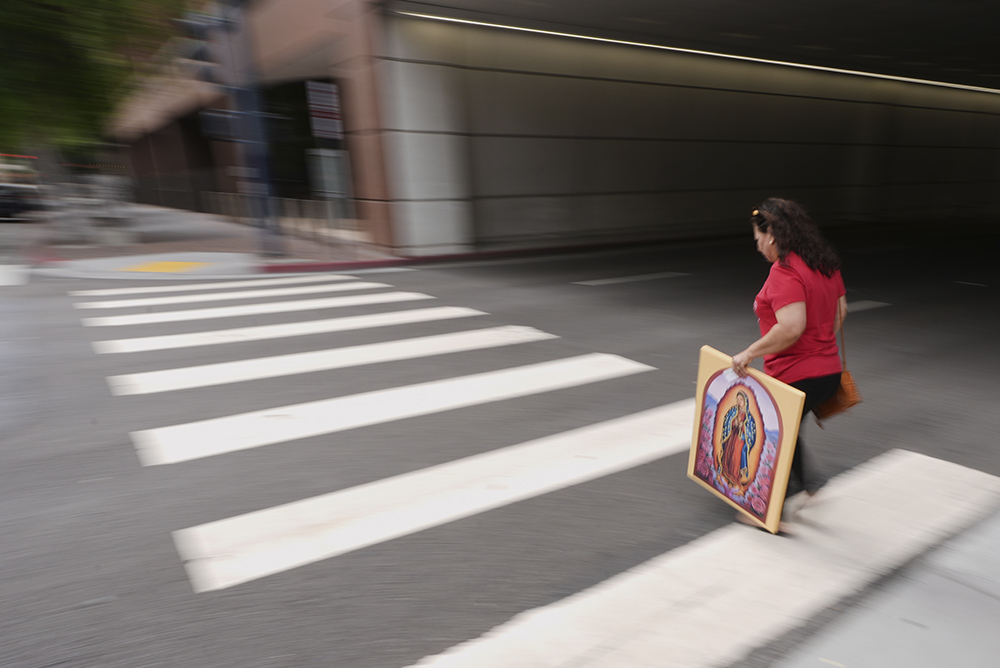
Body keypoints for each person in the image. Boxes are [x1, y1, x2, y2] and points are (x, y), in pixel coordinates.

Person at [731, 198, 848, 508]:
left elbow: (791, 327)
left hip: (797, 374)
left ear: (770, 235)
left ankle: (772, 509)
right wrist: (820, 344)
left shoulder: (785, 271)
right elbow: (841, 311)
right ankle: (810, 483)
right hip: (829, 372)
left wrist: (749, 353)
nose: (758, 247)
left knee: (776, 435)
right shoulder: (824, 264)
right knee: (787, 430)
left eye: (757, 239)